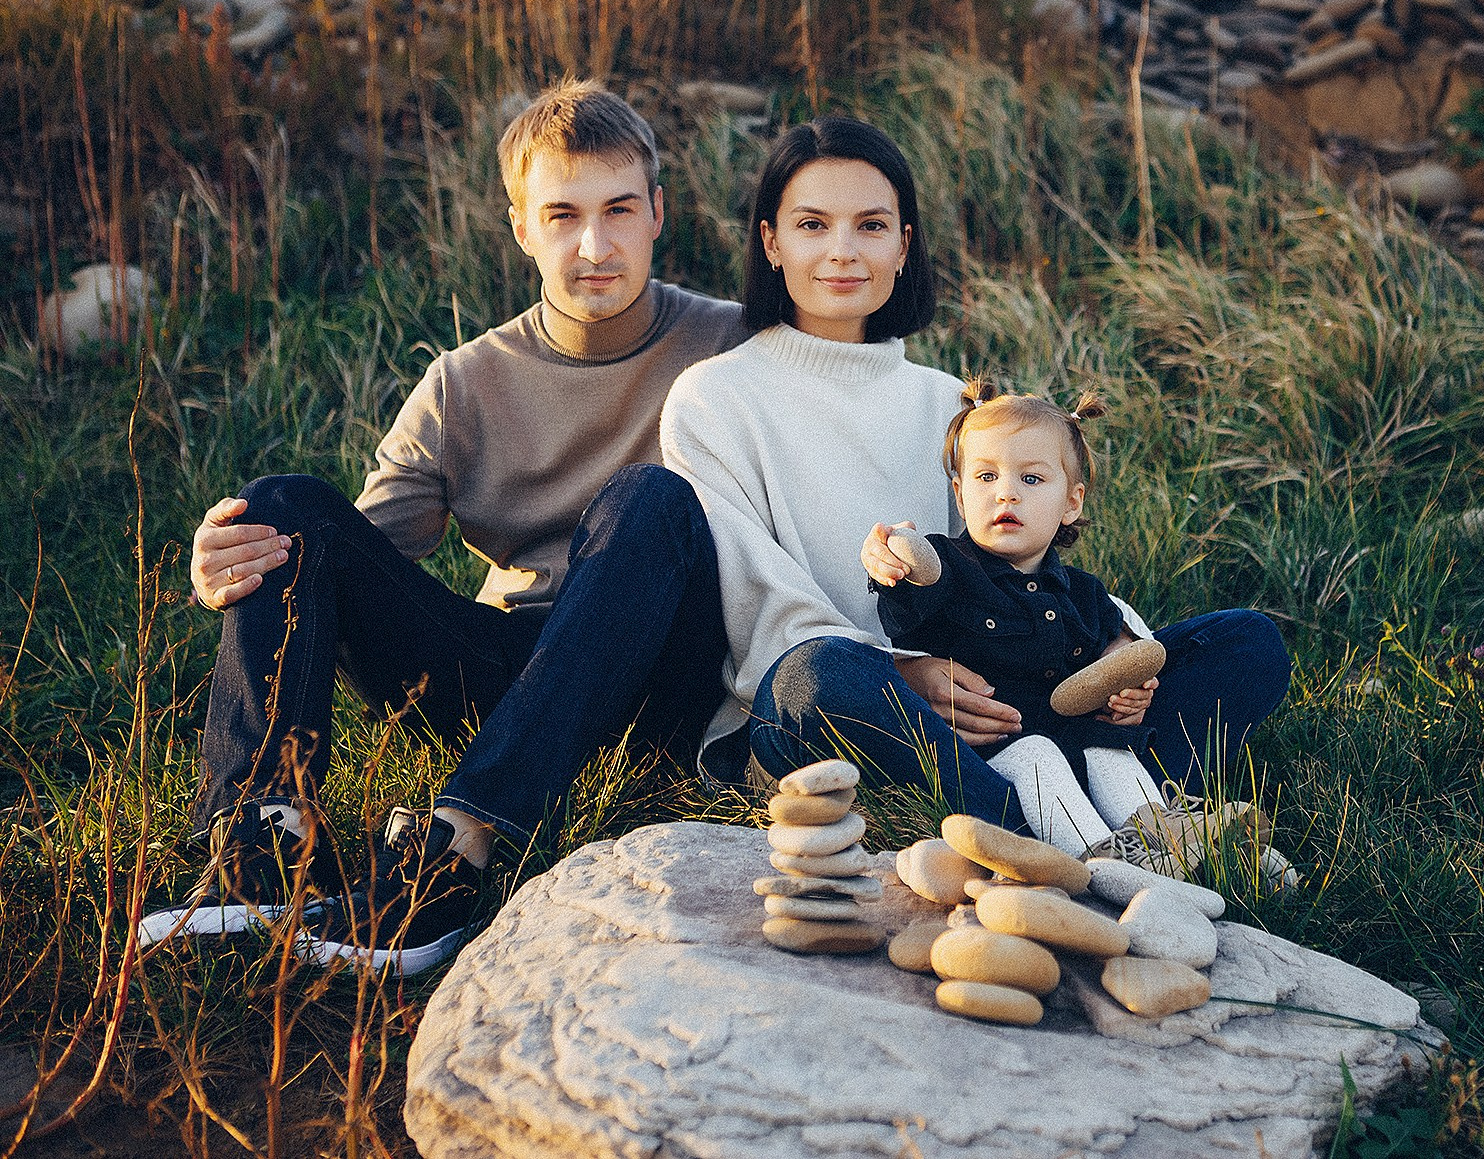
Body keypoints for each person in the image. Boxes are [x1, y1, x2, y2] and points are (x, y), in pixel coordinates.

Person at [139, 80, 750, 974]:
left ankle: (454, 844)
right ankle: (262, 847)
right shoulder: (466, 381)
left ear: (658, 212)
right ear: (520, 229)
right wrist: (235, 563)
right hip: (505, 673)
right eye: (563, 215)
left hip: (658, 681)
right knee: (283, 505)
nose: (594, 245)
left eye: (620, 208)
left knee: (651, 498)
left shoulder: (736, 344)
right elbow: (353, 561)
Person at [658, 116, 1292, 862]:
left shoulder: (951, 406)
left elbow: (1021, 566)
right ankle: (1056, 833)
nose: (841, 250)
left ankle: (1116, 818)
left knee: (1246, 642)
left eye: (870, 225)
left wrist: (1123, 647)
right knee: (817, 676)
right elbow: (757, 608)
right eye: (811, 224)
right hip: (842, 707)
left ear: (903, 245)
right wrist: (908, 671)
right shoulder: (713, 398)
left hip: (1005, 709)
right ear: (771, 243)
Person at [866, 382, 1178, 861]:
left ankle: (1163, 838)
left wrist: (1126, 685)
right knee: (1038, 758)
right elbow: (906, 613)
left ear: (1071, 503)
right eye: (985, 477)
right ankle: (1098, 860)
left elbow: (1114, 650)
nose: (1005, 493)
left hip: (1078, 734)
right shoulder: (952, 570)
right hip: (994, 747)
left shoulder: (1084, 592)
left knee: (1113, 751)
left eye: (1030, 480)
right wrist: (904, 561)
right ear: (960, 494)